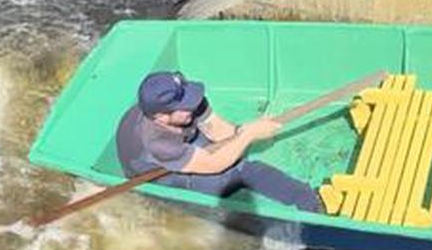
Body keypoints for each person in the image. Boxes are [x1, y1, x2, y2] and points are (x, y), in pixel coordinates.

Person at [115, 71, 323, 212]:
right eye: (185, 105)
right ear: (161, 116)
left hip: (180, 145)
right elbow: (214, 165)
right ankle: (310, 203)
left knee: (232, 148)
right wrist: (248, 135)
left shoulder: (185, 107)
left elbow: (219, 129)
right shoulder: (157, 142)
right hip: (157, 176)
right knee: (243, 171)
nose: (193, 104)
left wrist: (244, 132)